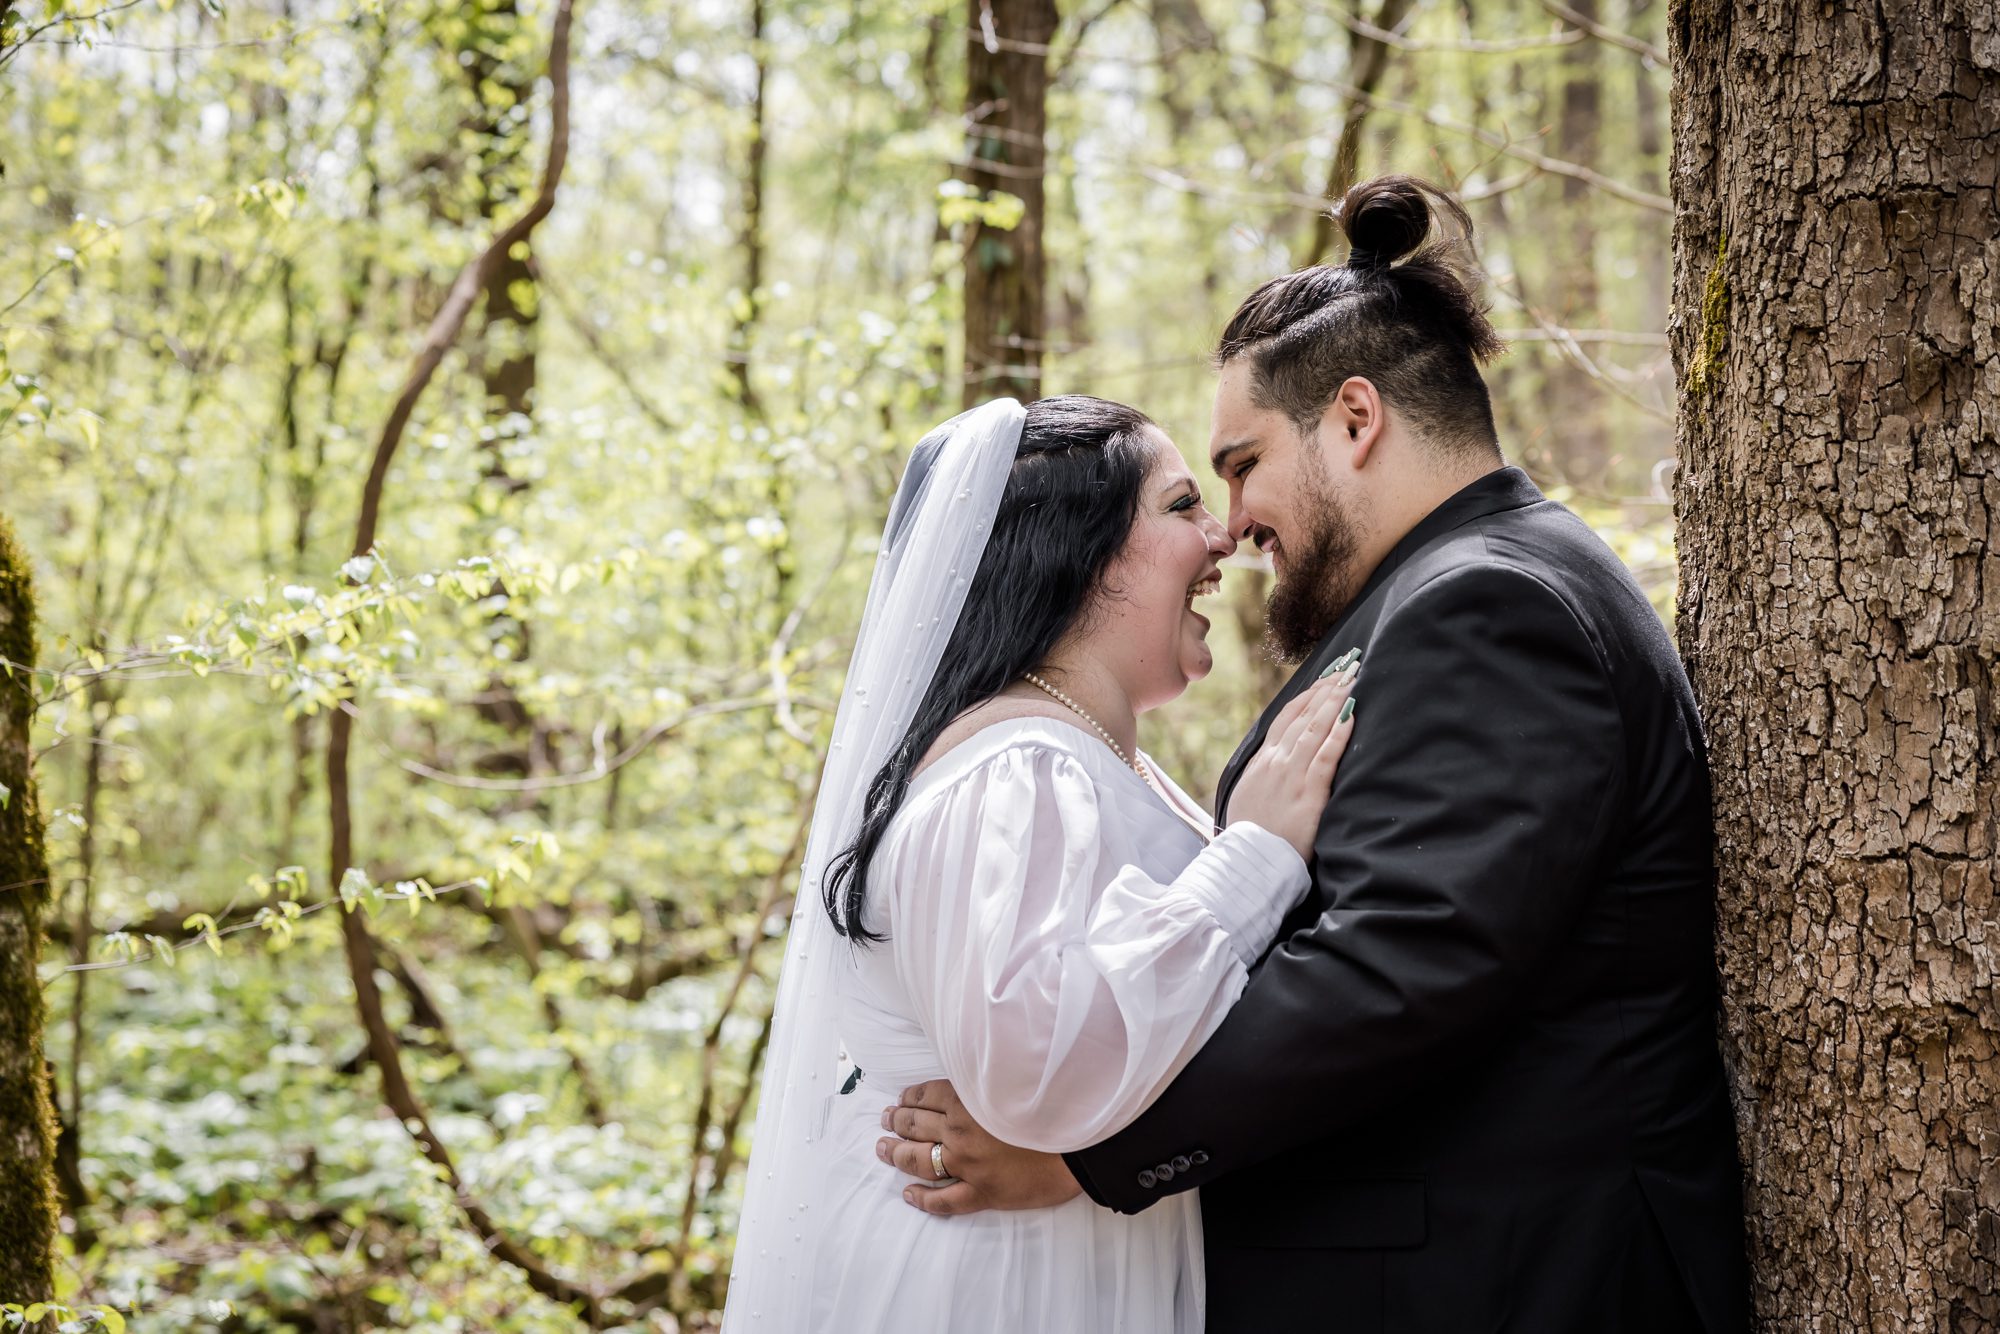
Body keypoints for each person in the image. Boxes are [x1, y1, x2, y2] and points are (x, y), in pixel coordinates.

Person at [881, 176, 1750, 1333]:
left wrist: (1089, 1155)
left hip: (1508, 1281)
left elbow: (1391, 969)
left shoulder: (1487, 603)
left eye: (1239, 464)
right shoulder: (1458, 589)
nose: (1231, 523)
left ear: (1354, 418)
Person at [720, 393, 1360, 1332]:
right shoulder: (1019, 768)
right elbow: (1036, 1070)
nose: (1222, 538)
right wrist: (1254, 862)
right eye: (1183, 506)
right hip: (999, 1284)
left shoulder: (1078, 755)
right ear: (1083, 550)